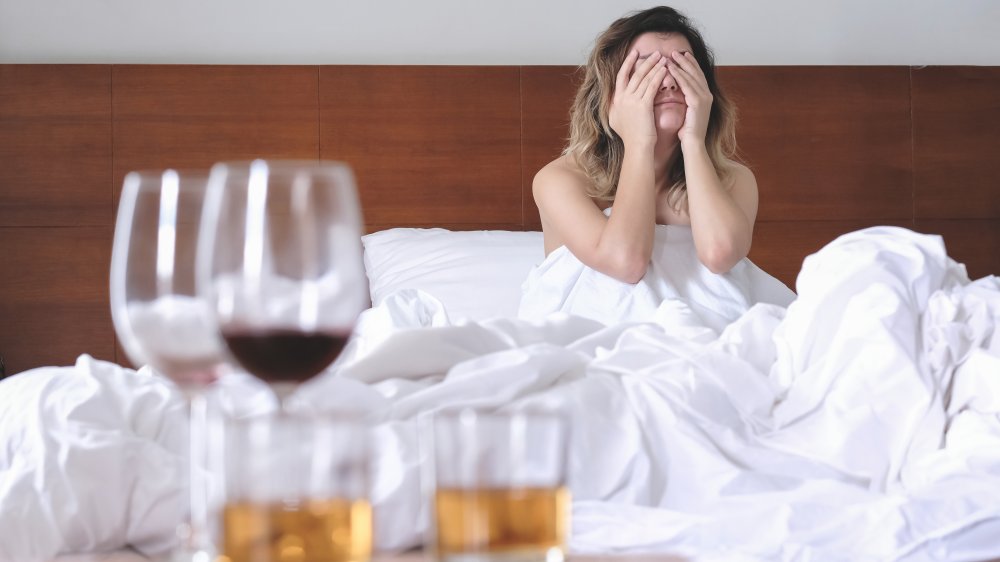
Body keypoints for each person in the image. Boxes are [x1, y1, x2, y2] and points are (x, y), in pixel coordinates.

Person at [533, 6, 757, 283]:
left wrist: (693, 141)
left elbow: (721, 255)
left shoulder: (735, 180)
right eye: (648, 71)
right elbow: (626, 264)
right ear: (609, 94)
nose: (668, 83)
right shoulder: (559, 180)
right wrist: (639, 143)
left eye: (682, 68)